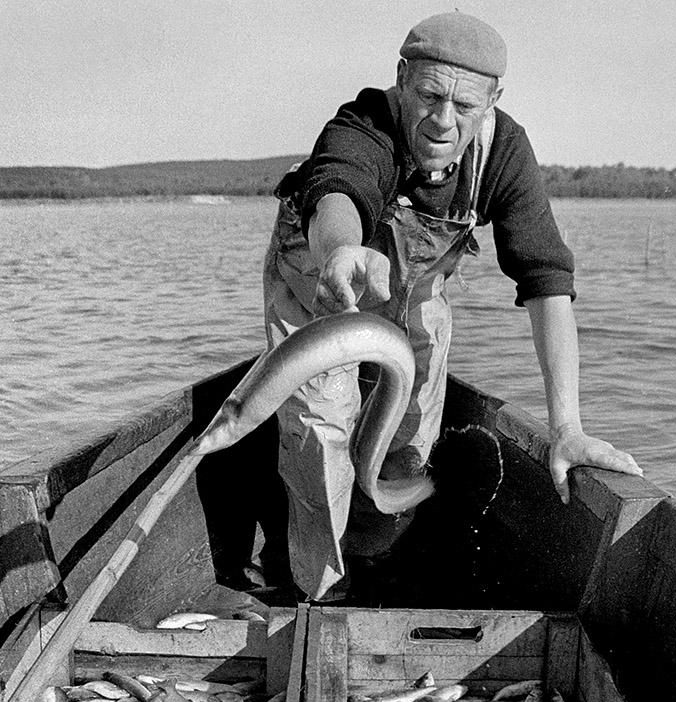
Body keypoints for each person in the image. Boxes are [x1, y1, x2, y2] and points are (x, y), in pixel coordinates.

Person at [213, 10, 642, 602]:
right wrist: (342, 251)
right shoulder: (362, 125)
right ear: (402, 77)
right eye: (430, 95)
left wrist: (566, 428)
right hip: (322, 270)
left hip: (417, 285)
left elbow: (546, 281)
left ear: (493, 101)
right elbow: (340, 185)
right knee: (321, 425)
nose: (444, 120)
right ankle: (320, 592)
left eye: (465, 106)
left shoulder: (505, 151)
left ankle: (370, 556)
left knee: (414, 433)